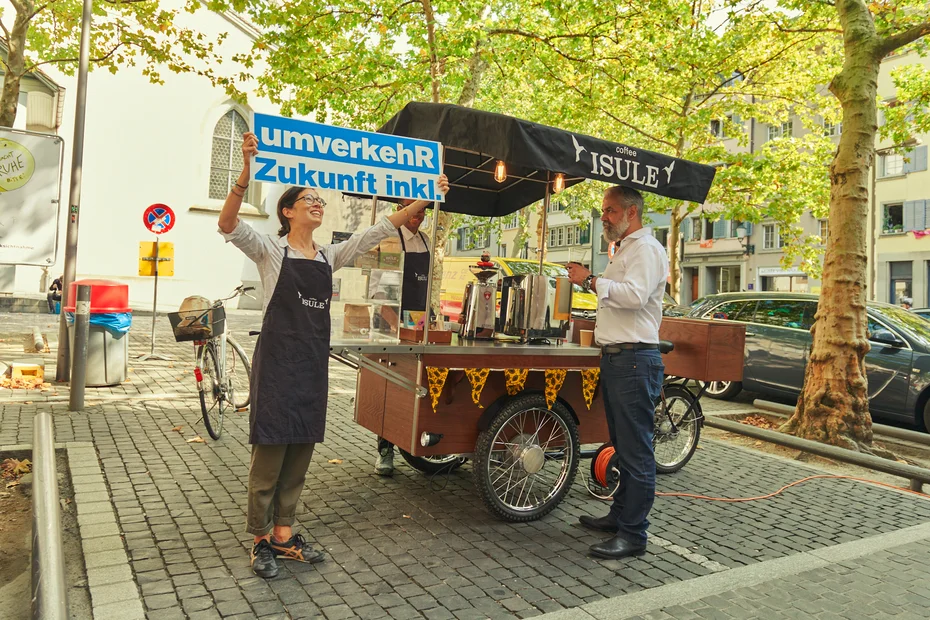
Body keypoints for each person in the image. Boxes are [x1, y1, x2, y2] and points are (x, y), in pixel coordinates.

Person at [218, 132, 449, 579]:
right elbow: (228, 224)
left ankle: (285, 534)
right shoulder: (270, 249)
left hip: (310, 363)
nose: (318, 203)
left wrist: (424, 196)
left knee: (301, 447)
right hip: (278, 361)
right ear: (288, 211)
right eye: (309, 199)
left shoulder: (329, 255)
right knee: (270, 452)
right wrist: (246, 171)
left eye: (320, 199)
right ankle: (260, 539)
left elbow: (381, 228)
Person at [566, 185, 669, 560]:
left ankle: (634, 534)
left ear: (631, 212)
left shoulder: (646, 249)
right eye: (604, 211)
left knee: (637, 451)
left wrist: (591, 280)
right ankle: (619, 515)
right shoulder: (625, 249)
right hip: (618, 358)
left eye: (609, 210)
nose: (604, 217)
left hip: (635, 360)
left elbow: (635, 296)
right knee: (622, 447)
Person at [369, 199, 432, 476]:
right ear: (400, 209)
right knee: (389, 387)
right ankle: (385, 450)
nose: (418, 216)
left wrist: (427, 321)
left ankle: (412, 439)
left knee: (415, 385)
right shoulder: (388, 238)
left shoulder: (427, 241)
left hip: (417, 321)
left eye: (422, 211)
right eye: (412, 209)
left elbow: (427, 285)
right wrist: (396, 327)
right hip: (389, 322)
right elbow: (377, 289)